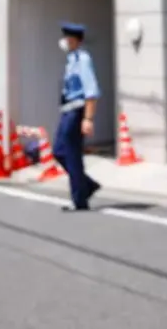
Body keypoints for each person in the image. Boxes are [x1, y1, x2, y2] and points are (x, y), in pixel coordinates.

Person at [53, 22, 101, 212]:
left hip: (77, 110)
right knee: (59, 151)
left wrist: (88, 119)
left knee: (72, 154)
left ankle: (79, 198)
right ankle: (85, 185)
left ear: (75, 40)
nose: (64, 41)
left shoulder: (83, 59)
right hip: (67, 110)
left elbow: (91, 91)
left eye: (67, 38)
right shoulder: (71, 60)